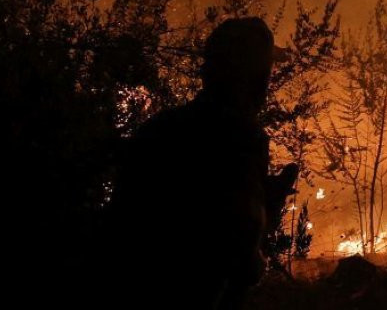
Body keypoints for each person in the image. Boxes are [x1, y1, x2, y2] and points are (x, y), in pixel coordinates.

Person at [105, 17, 295, 309]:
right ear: (254, 78)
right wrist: (266, 210)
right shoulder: (242, 138)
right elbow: (240, 259)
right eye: (265, 73)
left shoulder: (159, 128)